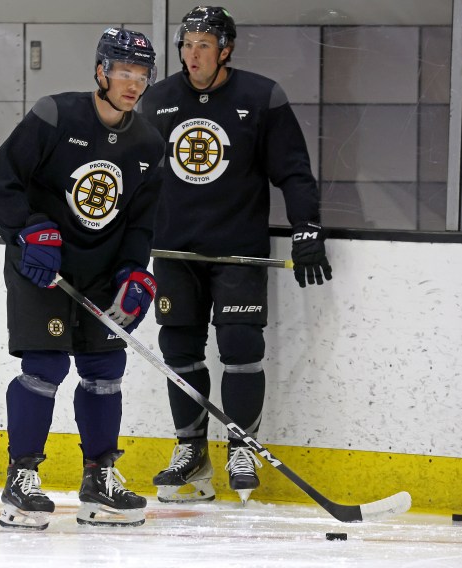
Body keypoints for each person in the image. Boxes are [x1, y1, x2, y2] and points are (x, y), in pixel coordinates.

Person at [140, 6, 332, 505]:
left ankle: (241, 447)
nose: (192, 54)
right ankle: (191, 450)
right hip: (173, 252)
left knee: (242, 351)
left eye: (203, 45)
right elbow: (135, 176)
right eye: (186, 45)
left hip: (237, 253)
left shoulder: (260, 96)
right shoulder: (156, 100)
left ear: (225, 49)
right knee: (179, 354)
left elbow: (292, 169)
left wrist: (306, 226)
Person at [0, 27, 164, 530]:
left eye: (141, 76)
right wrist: (29, 229)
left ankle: (99, 480)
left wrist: (133, 270)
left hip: (102, 274)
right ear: (101, 71)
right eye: (124, 72)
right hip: (43, 268)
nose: (133, 84)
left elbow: (139, 220)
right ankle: (21, 482)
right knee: (45, 366)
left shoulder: (149, 141)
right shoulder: (56, 114)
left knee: (105, 371)